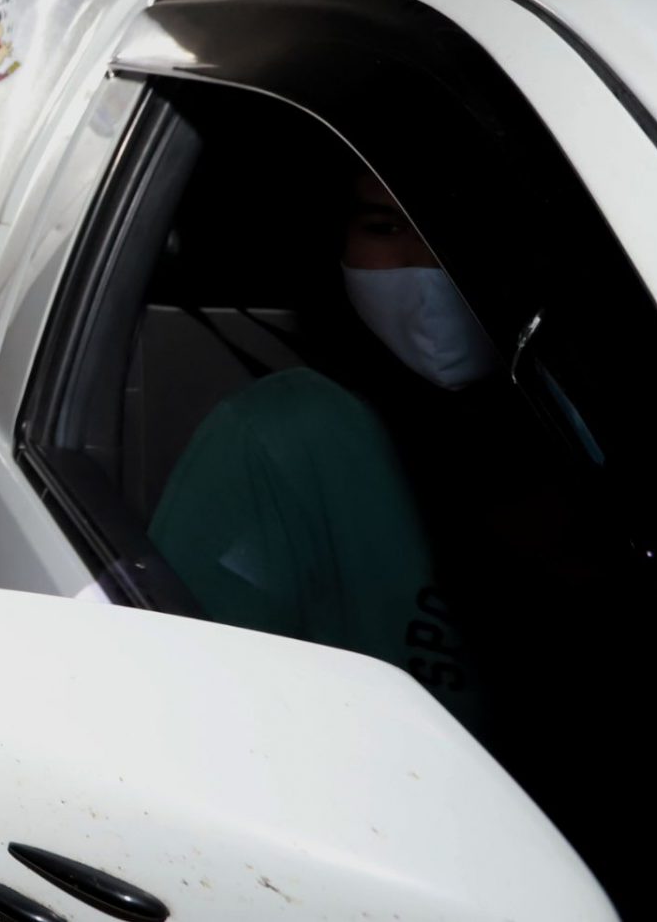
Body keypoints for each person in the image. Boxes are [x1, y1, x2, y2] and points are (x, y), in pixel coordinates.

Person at [149, 169, 485, 723]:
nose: (427, 268)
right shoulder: (278, 436)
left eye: (457, 229)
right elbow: (193, 702)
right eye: (384, 227)